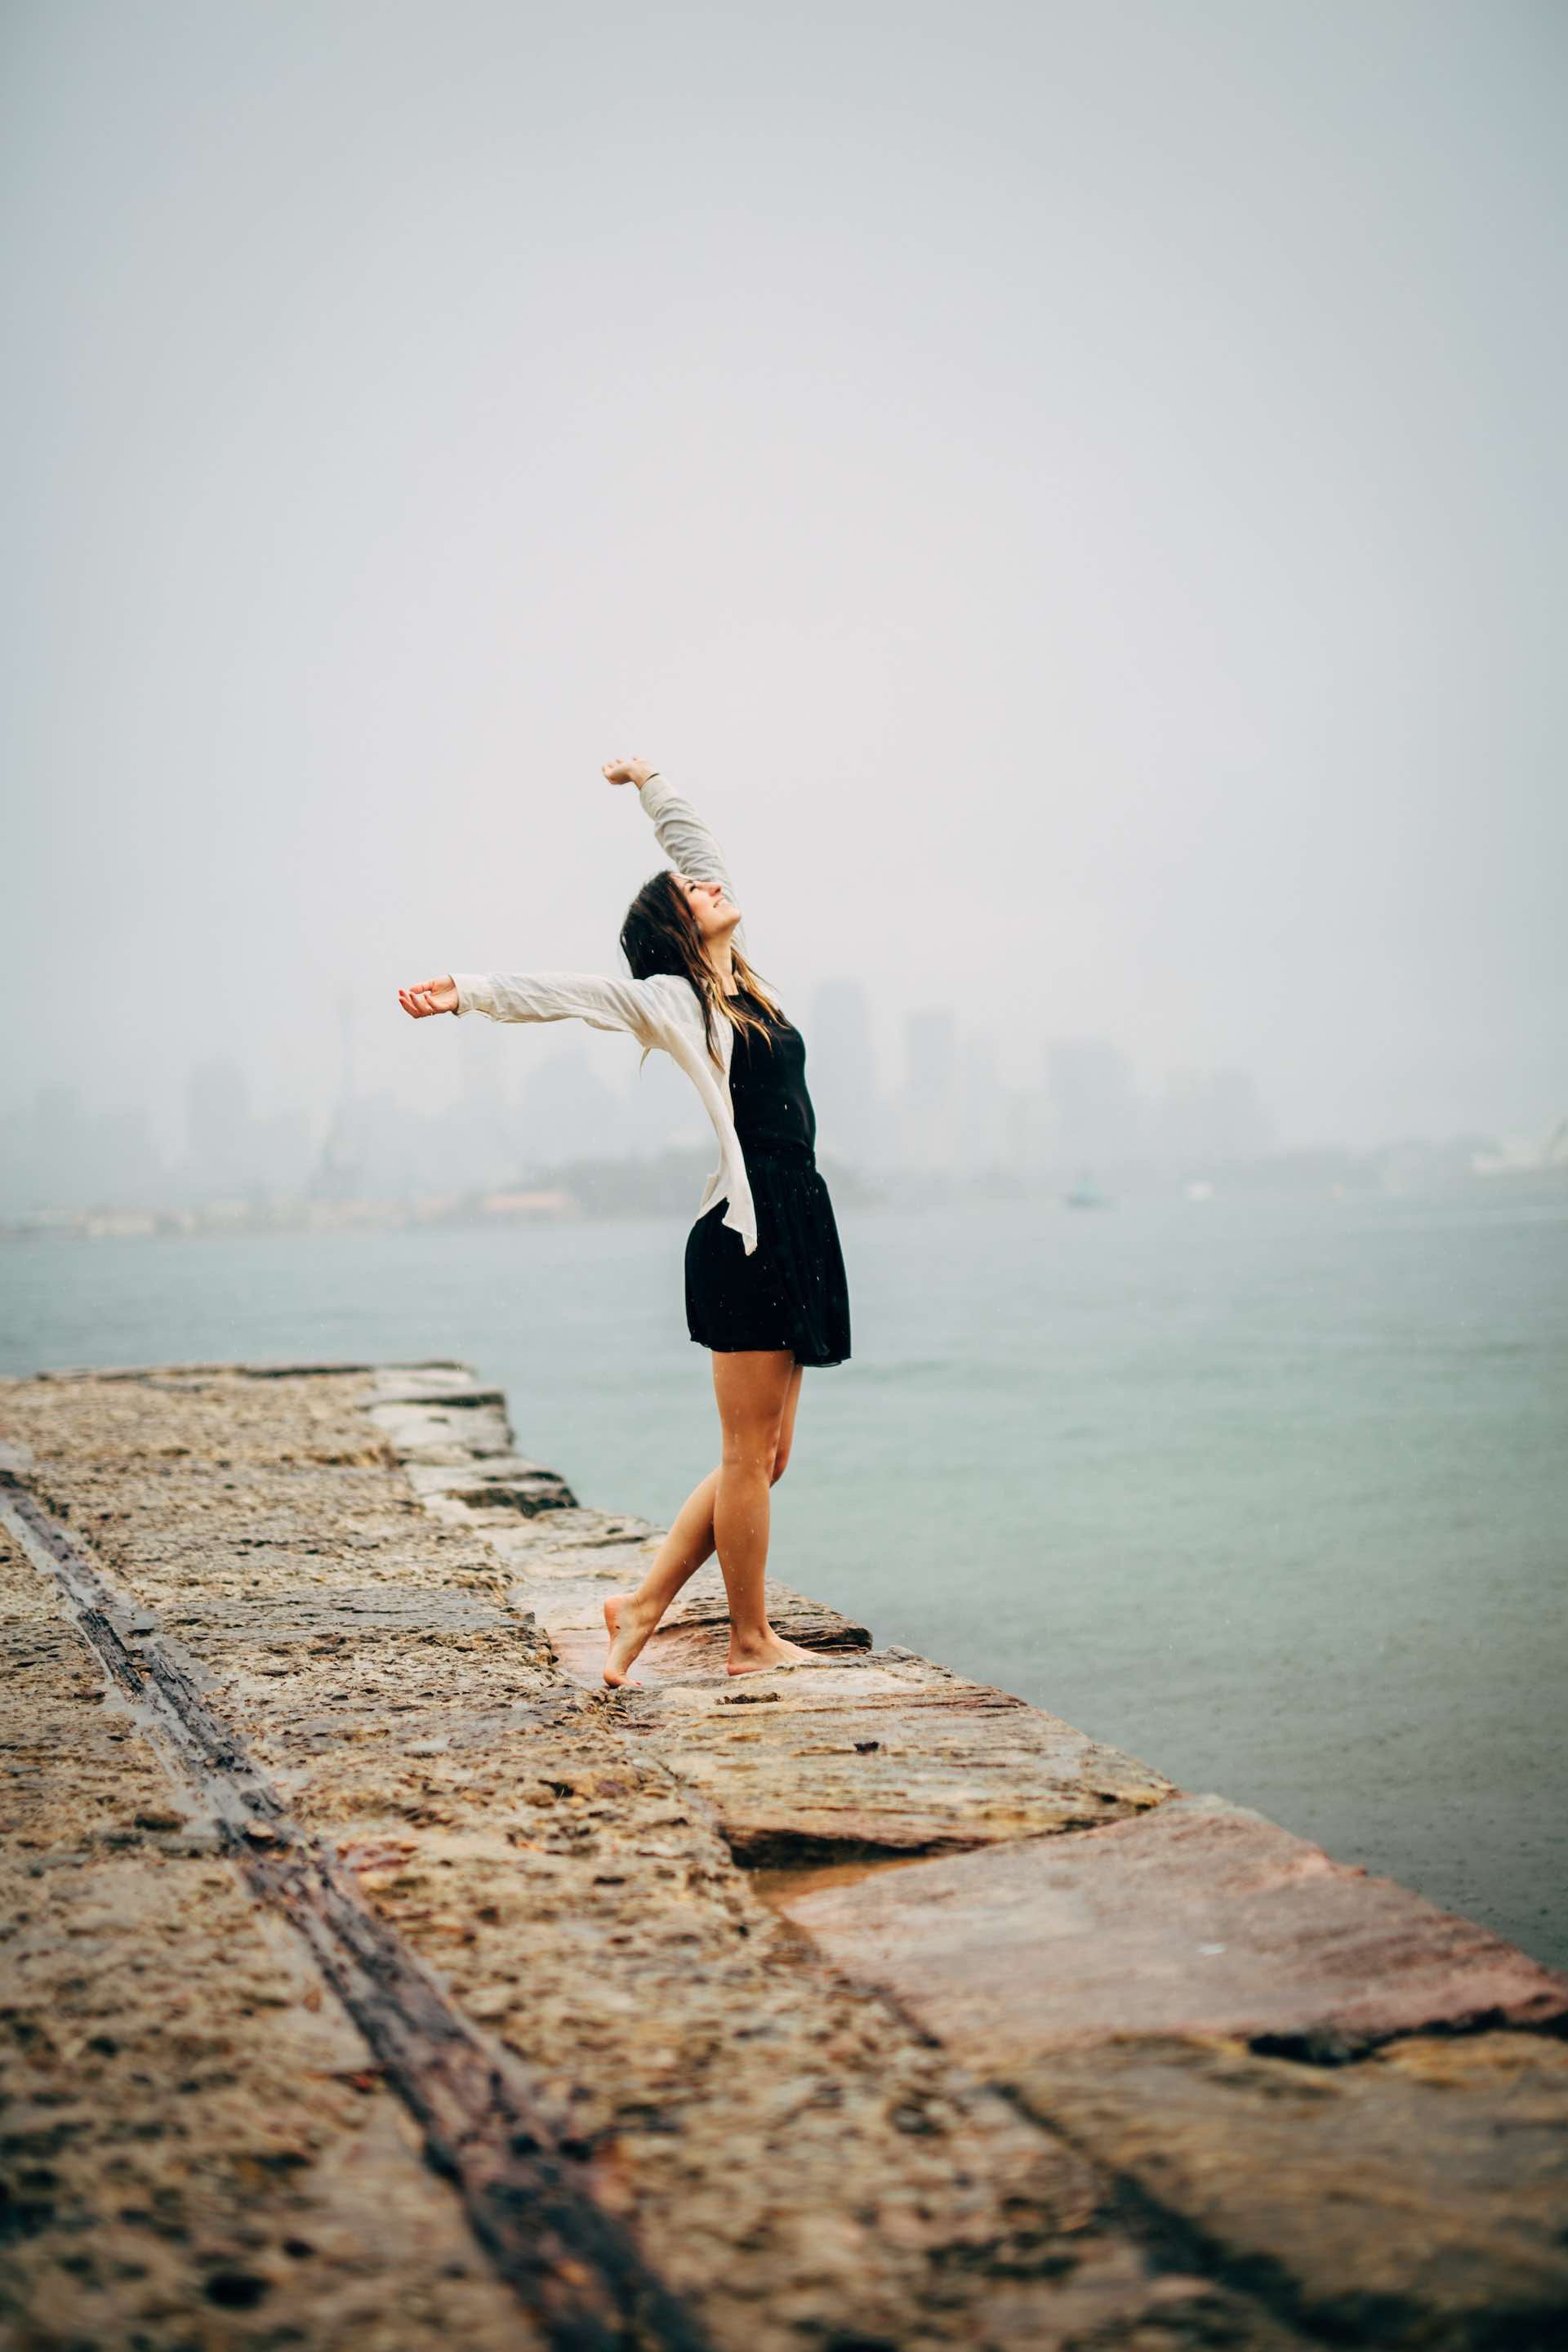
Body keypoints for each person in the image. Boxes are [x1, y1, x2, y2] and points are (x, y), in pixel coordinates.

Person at [398, 755, 852, 1686]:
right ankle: (748, 1643)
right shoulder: (676, 1001)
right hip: (746, 1231)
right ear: (675, 930)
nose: (710, 886)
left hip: (797, 1219)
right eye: (692, 892)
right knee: (744, 1454)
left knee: (765, 1458)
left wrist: (654, 787)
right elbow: (574, 993)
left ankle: (642, 1605)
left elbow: (699, 848)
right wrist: (469, 992)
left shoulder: (744, 984)